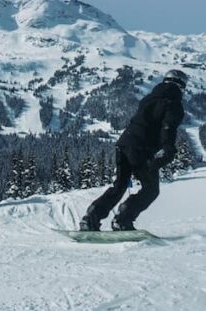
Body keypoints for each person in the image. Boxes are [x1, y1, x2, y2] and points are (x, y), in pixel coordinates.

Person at [80, 69, 188, 231]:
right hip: (141, 149)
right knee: (150, 190)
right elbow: (168, 127)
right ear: (181, 85)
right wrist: (168, 148)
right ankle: (123, 219)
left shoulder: (149, 98)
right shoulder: (173, 103)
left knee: (119, 186)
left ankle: (90, 219)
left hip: (124, 144)